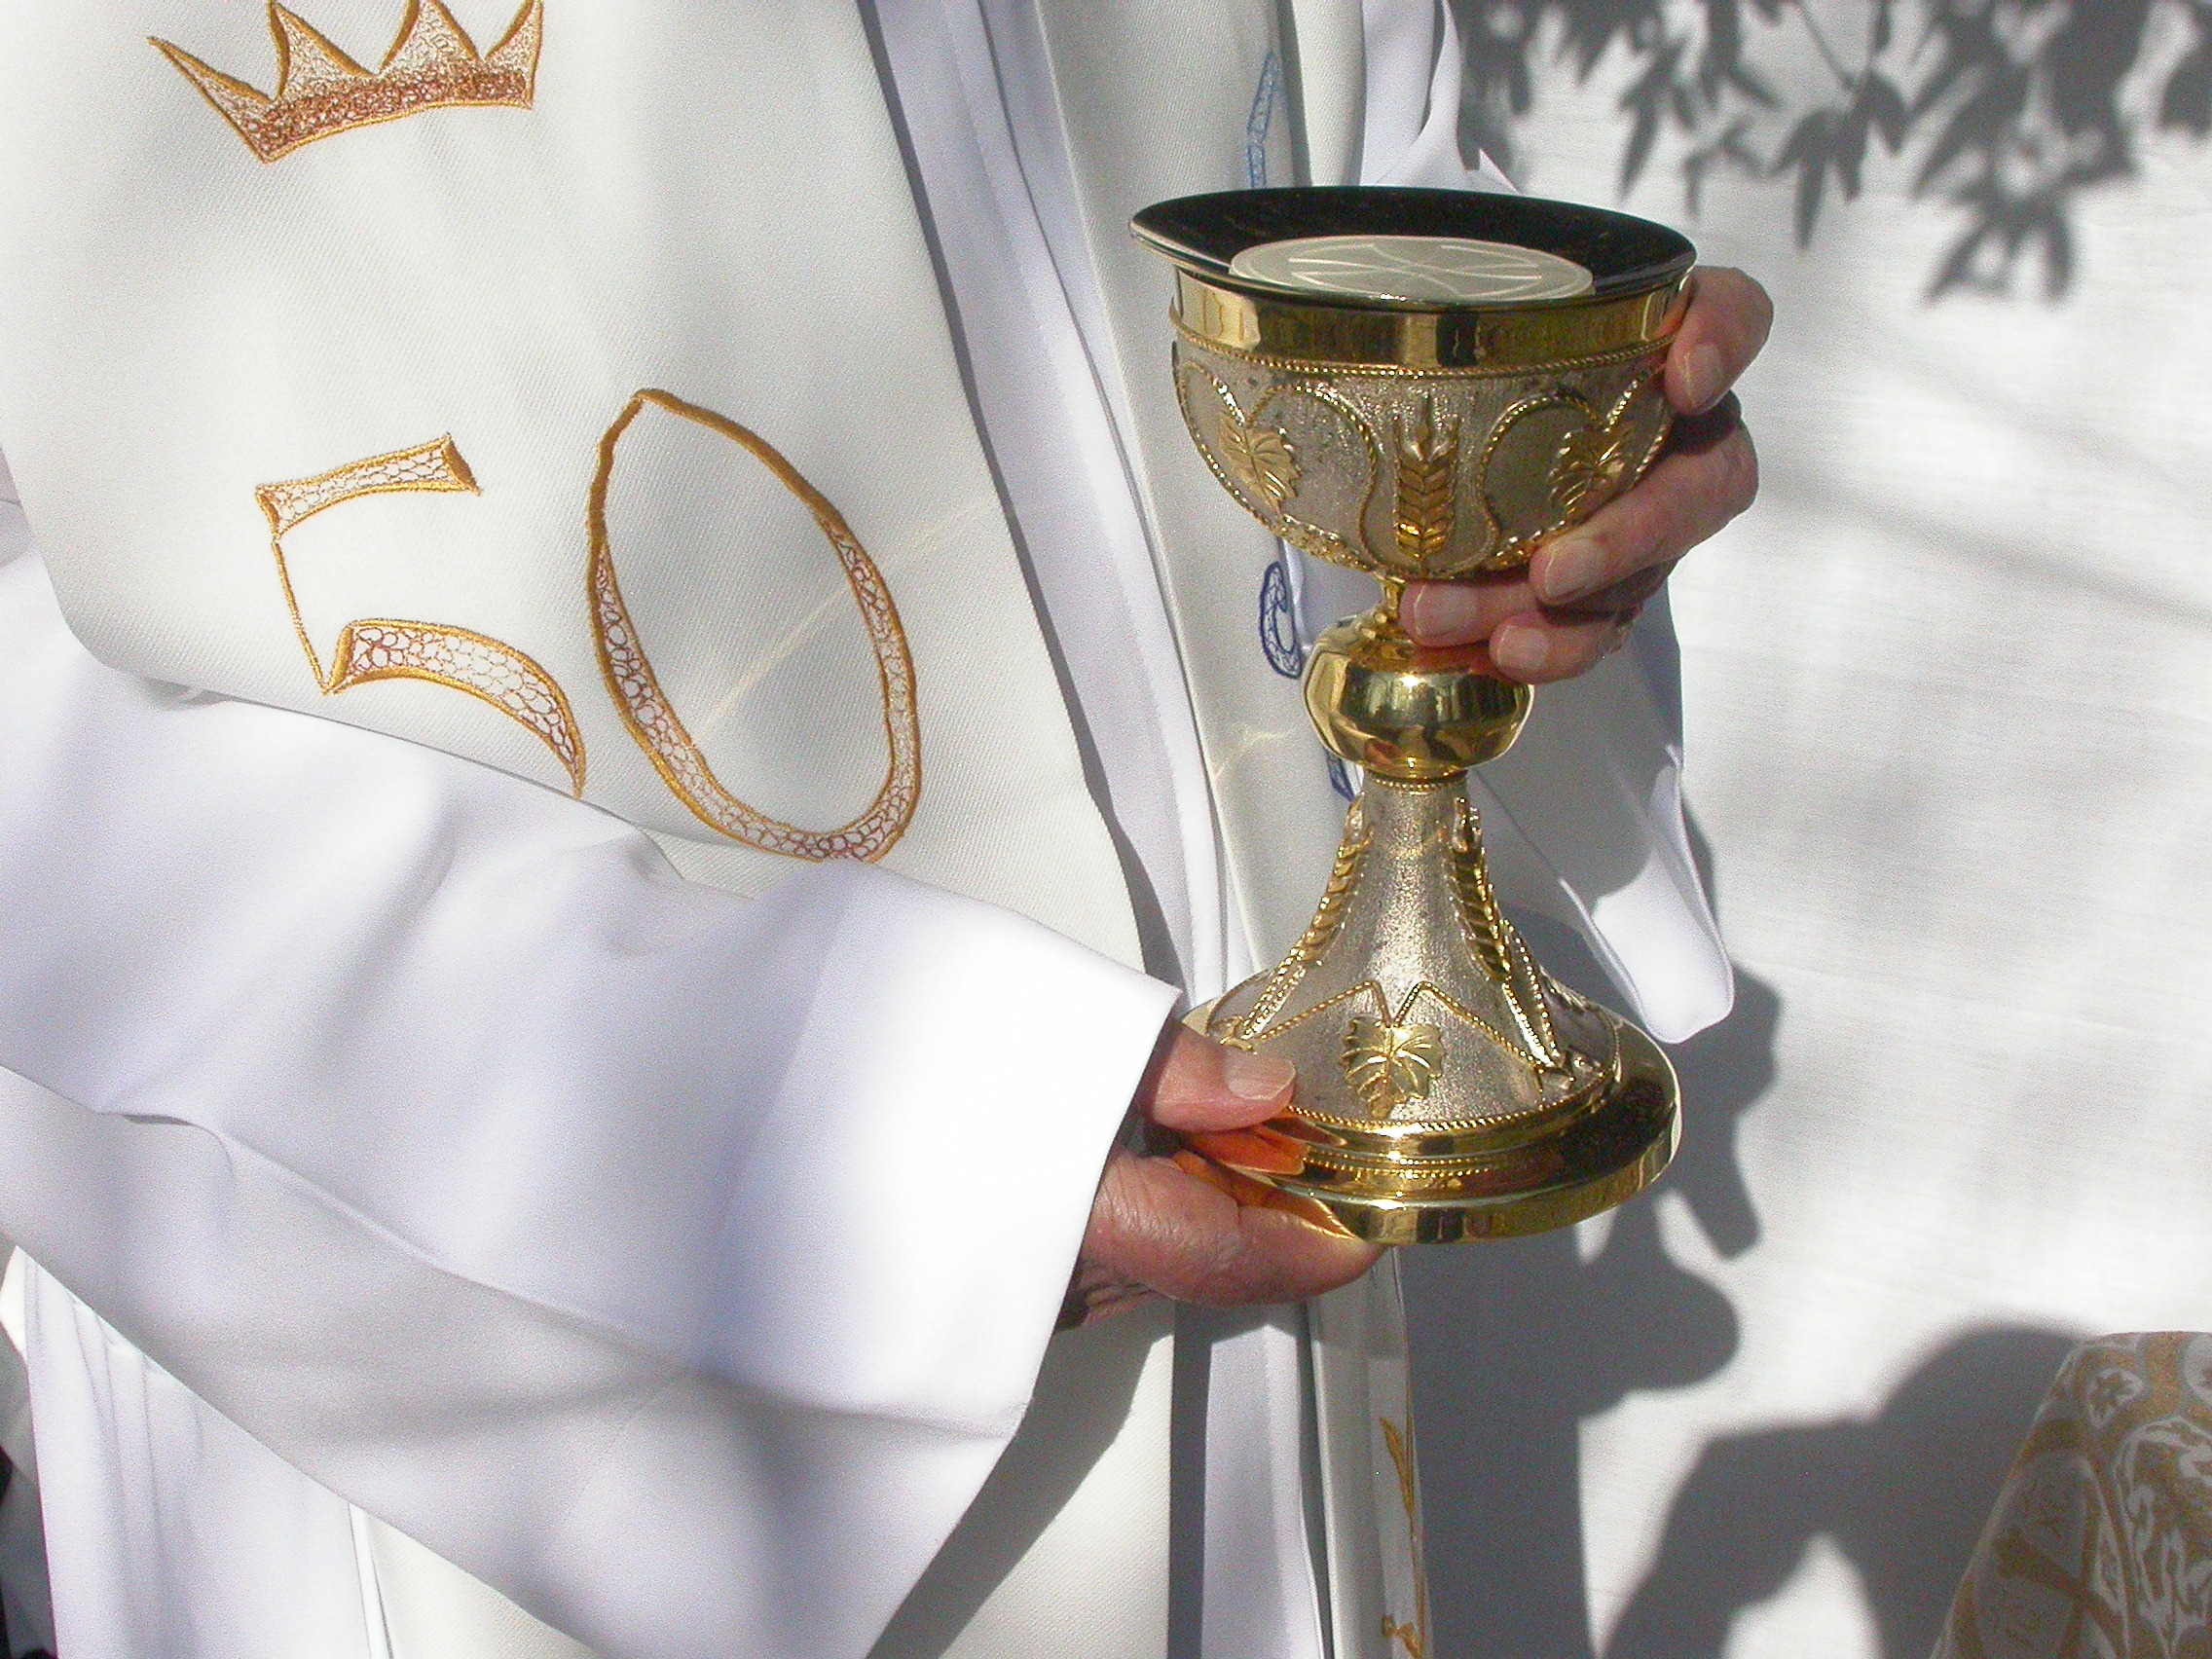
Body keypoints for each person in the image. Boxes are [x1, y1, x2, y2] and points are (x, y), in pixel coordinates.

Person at [0, 1, 1768, 1655]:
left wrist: (1529, 477)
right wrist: (886, 1145)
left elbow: (1314, 162)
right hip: (507, 1324)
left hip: (1261, 1205)